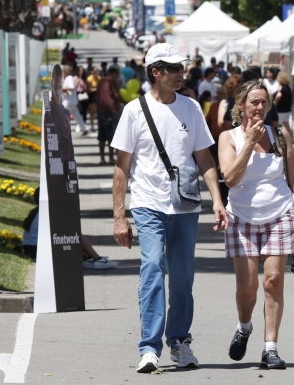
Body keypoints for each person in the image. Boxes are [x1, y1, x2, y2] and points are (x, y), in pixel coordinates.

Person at [111, 43, 228, 374]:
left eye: (182, 68)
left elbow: (205, 157)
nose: (181, 74)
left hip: (186, 206)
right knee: (151, 268)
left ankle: (179, 341)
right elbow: (122, 168)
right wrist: (120, 216)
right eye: (174, 69)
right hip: (148, 203)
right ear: (155, 72)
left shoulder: (191, 108)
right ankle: (149, 347)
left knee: (182, 277)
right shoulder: (134, 111)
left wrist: (218, 200)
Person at [217, 80, 294, 370]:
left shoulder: (280, 134)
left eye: (263, 102)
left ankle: (270, 347)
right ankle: (244, 326)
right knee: (248, 287)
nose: (259, 107)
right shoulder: (229, 138)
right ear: (240, 107)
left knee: (273, 281)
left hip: (280, 213)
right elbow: (231, 178)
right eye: (253, 102)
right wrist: (248, 143)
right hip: (242, 218)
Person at [97, 65, 123, 164]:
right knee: (112, 135)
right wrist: (125, 101)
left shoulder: (101, 81)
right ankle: (111, 158)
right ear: (114, 73)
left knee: (101, 136)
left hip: (100, 110)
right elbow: (116, 95)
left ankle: (102, 158)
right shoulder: (112, 81)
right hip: (111, 110)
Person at [61, 65, 89, 136]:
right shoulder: (70, 78)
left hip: (68, 101)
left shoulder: (69, 78)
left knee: (61, 114)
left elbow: (72, 87)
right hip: (72, 100)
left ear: (65, 71)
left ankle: (63, 130)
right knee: (77, 116)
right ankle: (84, 129)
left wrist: (63, 88)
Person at [86, 66, 100, 132]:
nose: (96, 72)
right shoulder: (89, 79)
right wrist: (96, 89)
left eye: (97, 71)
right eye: (95, 70)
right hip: (92, 96)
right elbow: (88, 89)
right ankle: (92, 126)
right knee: (92, 112)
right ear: (91, 71)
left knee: (99, 111)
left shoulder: (99, 78)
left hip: (98, 96)